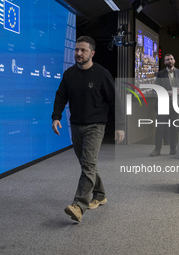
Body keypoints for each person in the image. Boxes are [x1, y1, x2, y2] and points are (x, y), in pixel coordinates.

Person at [52, 36, 125, 223]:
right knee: (87, 164)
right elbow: (61, 96)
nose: (78, 53)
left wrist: (120, 126)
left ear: (92, 53)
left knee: (88, 164)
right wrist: (56, 117)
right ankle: (100, 195)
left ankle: (78, 205)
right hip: (75, 125)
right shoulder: (69, 74)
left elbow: (115, 101)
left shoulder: (102, 74)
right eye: (76, 49)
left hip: (95, 126)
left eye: (83, 50)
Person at [150, 53, 179, 156]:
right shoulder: (160, 74)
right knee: (160, 127)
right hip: (163, 104)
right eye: (167, 60)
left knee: (174, 127)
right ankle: (157, 149)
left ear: (174, 60)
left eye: (171, 59)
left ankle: (173, 148)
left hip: (175, 104)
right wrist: (167, 92)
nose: (170, 61)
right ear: (165, 62)